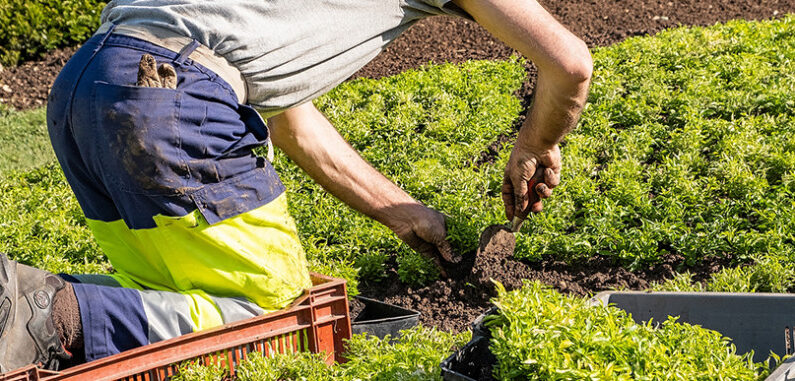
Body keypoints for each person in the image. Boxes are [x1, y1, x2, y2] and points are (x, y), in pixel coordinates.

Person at [0, 0, 591, 371]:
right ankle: (53, 314)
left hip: (89, 84)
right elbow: (568, 62)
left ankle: (27, 298)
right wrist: (537, 145)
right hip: (170, 95)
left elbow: (294, 123)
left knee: (171, 289)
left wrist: (401, 212)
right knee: (277, 312)